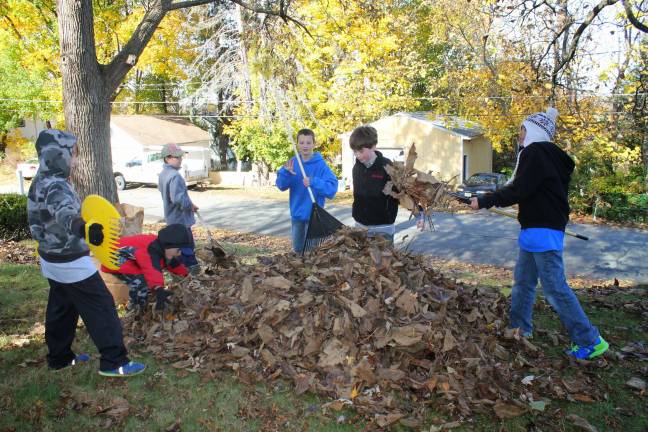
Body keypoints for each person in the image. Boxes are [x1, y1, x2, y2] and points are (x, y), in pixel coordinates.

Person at [470, 108, 608, 360]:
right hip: (535, 229)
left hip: (543, 229)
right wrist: (489, 199)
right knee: (523, 282)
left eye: (522, 129)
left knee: (555, 288)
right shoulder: (545, 156)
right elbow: (527, 190)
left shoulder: (536, 153)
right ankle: (519, 329)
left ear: (534, 131)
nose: (519, 134)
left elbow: (518, 190)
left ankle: (590, 340)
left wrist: (486, 201)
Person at [27, 129, 145, 377]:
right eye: (72, 155)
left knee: (62, 307)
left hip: (50, 258)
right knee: (101, 307)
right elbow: (65, 213)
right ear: (58, 155)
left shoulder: (42, 179)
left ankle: (59, 358)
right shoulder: (56, 186)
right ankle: (115, 362)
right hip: (70, 260)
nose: (76, 160)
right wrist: (85, 229)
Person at [101, 224, 192, 317]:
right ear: (169, 245)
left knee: (147, 279)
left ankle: (140, 301)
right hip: (116, 258)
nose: (180, 253)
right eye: (179, 249)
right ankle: (136, 309)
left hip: (132, 259)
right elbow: (151, 268)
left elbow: (172, 264)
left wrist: (186, 275)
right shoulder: (151, 249)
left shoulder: (163, 247)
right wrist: (159, 289)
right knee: (141, 281)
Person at [276, 128, 338, 253]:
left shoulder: (321, 165)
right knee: (298, 250)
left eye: (308, 143)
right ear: (297, 144)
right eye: (302, 142)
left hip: (314, 216)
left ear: (314, 144)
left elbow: (332, 189)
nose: (305, 146)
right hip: (297, 215)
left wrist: (314, 182)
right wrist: (286, 174)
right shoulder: (292, 163)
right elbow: (281, 186)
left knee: (312, 251)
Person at [349, 125, 400, 243]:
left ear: (373, 146)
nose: (358, 155)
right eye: (355, 152)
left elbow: (404, 192)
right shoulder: (357, 168)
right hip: (360, 226)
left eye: (361, 151)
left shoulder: (388, 167)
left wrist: (419, 213)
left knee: (383, 261)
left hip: (382, 228)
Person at [158, 143, 199, 273]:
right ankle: (192, 274)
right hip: (180, 220)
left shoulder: (163, 174)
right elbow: (177, 198)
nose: (180, 159)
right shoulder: (175, 176)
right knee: (187, 247)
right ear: (167, 158)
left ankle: (179, 272)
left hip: (172, 219)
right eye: (177, 157)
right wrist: (190, 205)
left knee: (178, 248)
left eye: (180, 157)